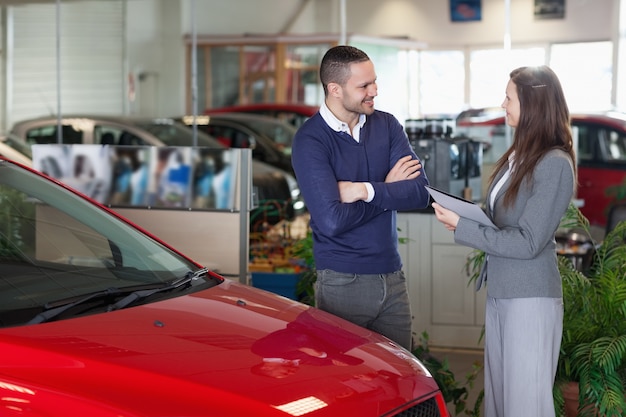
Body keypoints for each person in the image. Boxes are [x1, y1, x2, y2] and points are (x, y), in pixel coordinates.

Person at [431, 65, 576, 417]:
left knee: (524, 402)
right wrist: (466, 216)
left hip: (530, 298)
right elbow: (500, 218)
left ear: (532, 103)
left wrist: (464, 228)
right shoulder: (519, 156)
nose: (503, 104)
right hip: (503, 292)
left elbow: (528, 242)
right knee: (501, 400)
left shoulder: (554, 163)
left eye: (509, 97)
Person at [291, 45, 430, 351]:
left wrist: (362, 190)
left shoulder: (387, 125)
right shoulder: (311, 140)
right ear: (335, 89)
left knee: (400, 381)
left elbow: (420, 192)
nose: (374, 91)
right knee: (347, 384)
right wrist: (386, 188)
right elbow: (331, 221)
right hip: (343, 282)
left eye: (374, 82)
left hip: (392, 278)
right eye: (364, 86)